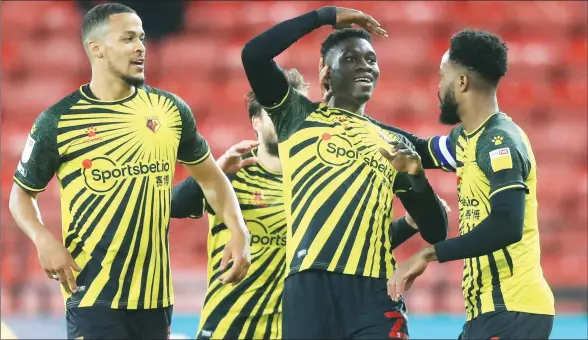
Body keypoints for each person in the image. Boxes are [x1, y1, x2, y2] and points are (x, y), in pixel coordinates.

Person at [8, 3, 251, 339]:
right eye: (127, 39)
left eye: (142, 39)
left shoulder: (171, 110)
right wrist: (42, 238)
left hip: (156, 297)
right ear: (97, 49)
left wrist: (238, 230)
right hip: (92, 294)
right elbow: (21, 195)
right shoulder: (58, 121)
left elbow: (212, 180)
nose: (140, 47)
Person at [171, 69, 452, 339]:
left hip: (292, 327)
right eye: (275, 111)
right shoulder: (234, 175)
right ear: (255, 121)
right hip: (227, 326)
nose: (285, 118)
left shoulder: (321, 177)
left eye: (292, 112)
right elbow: (170, 206)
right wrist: (213, 175)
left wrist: (408, 223)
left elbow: (340, 253)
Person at [241, 6, 449, 339]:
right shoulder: (295, 116)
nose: (365, 65)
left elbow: (437, 231)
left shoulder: (393, 142)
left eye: (371, 59)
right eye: (351, 59)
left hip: (373, 290)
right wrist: (325, 16)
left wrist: (417, 179)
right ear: (325, 72)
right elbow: (253, 54)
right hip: (309, 286)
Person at [385, 29, 555, 339]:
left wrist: (427, 254)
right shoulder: (466, 139)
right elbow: (420, 150)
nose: (438, 87)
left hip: (514, 309)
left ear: (462, 82)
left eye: (442, 77)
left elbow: (508, 224)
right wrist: (354, 120)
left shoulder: (499, 141)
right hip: (488, 313)